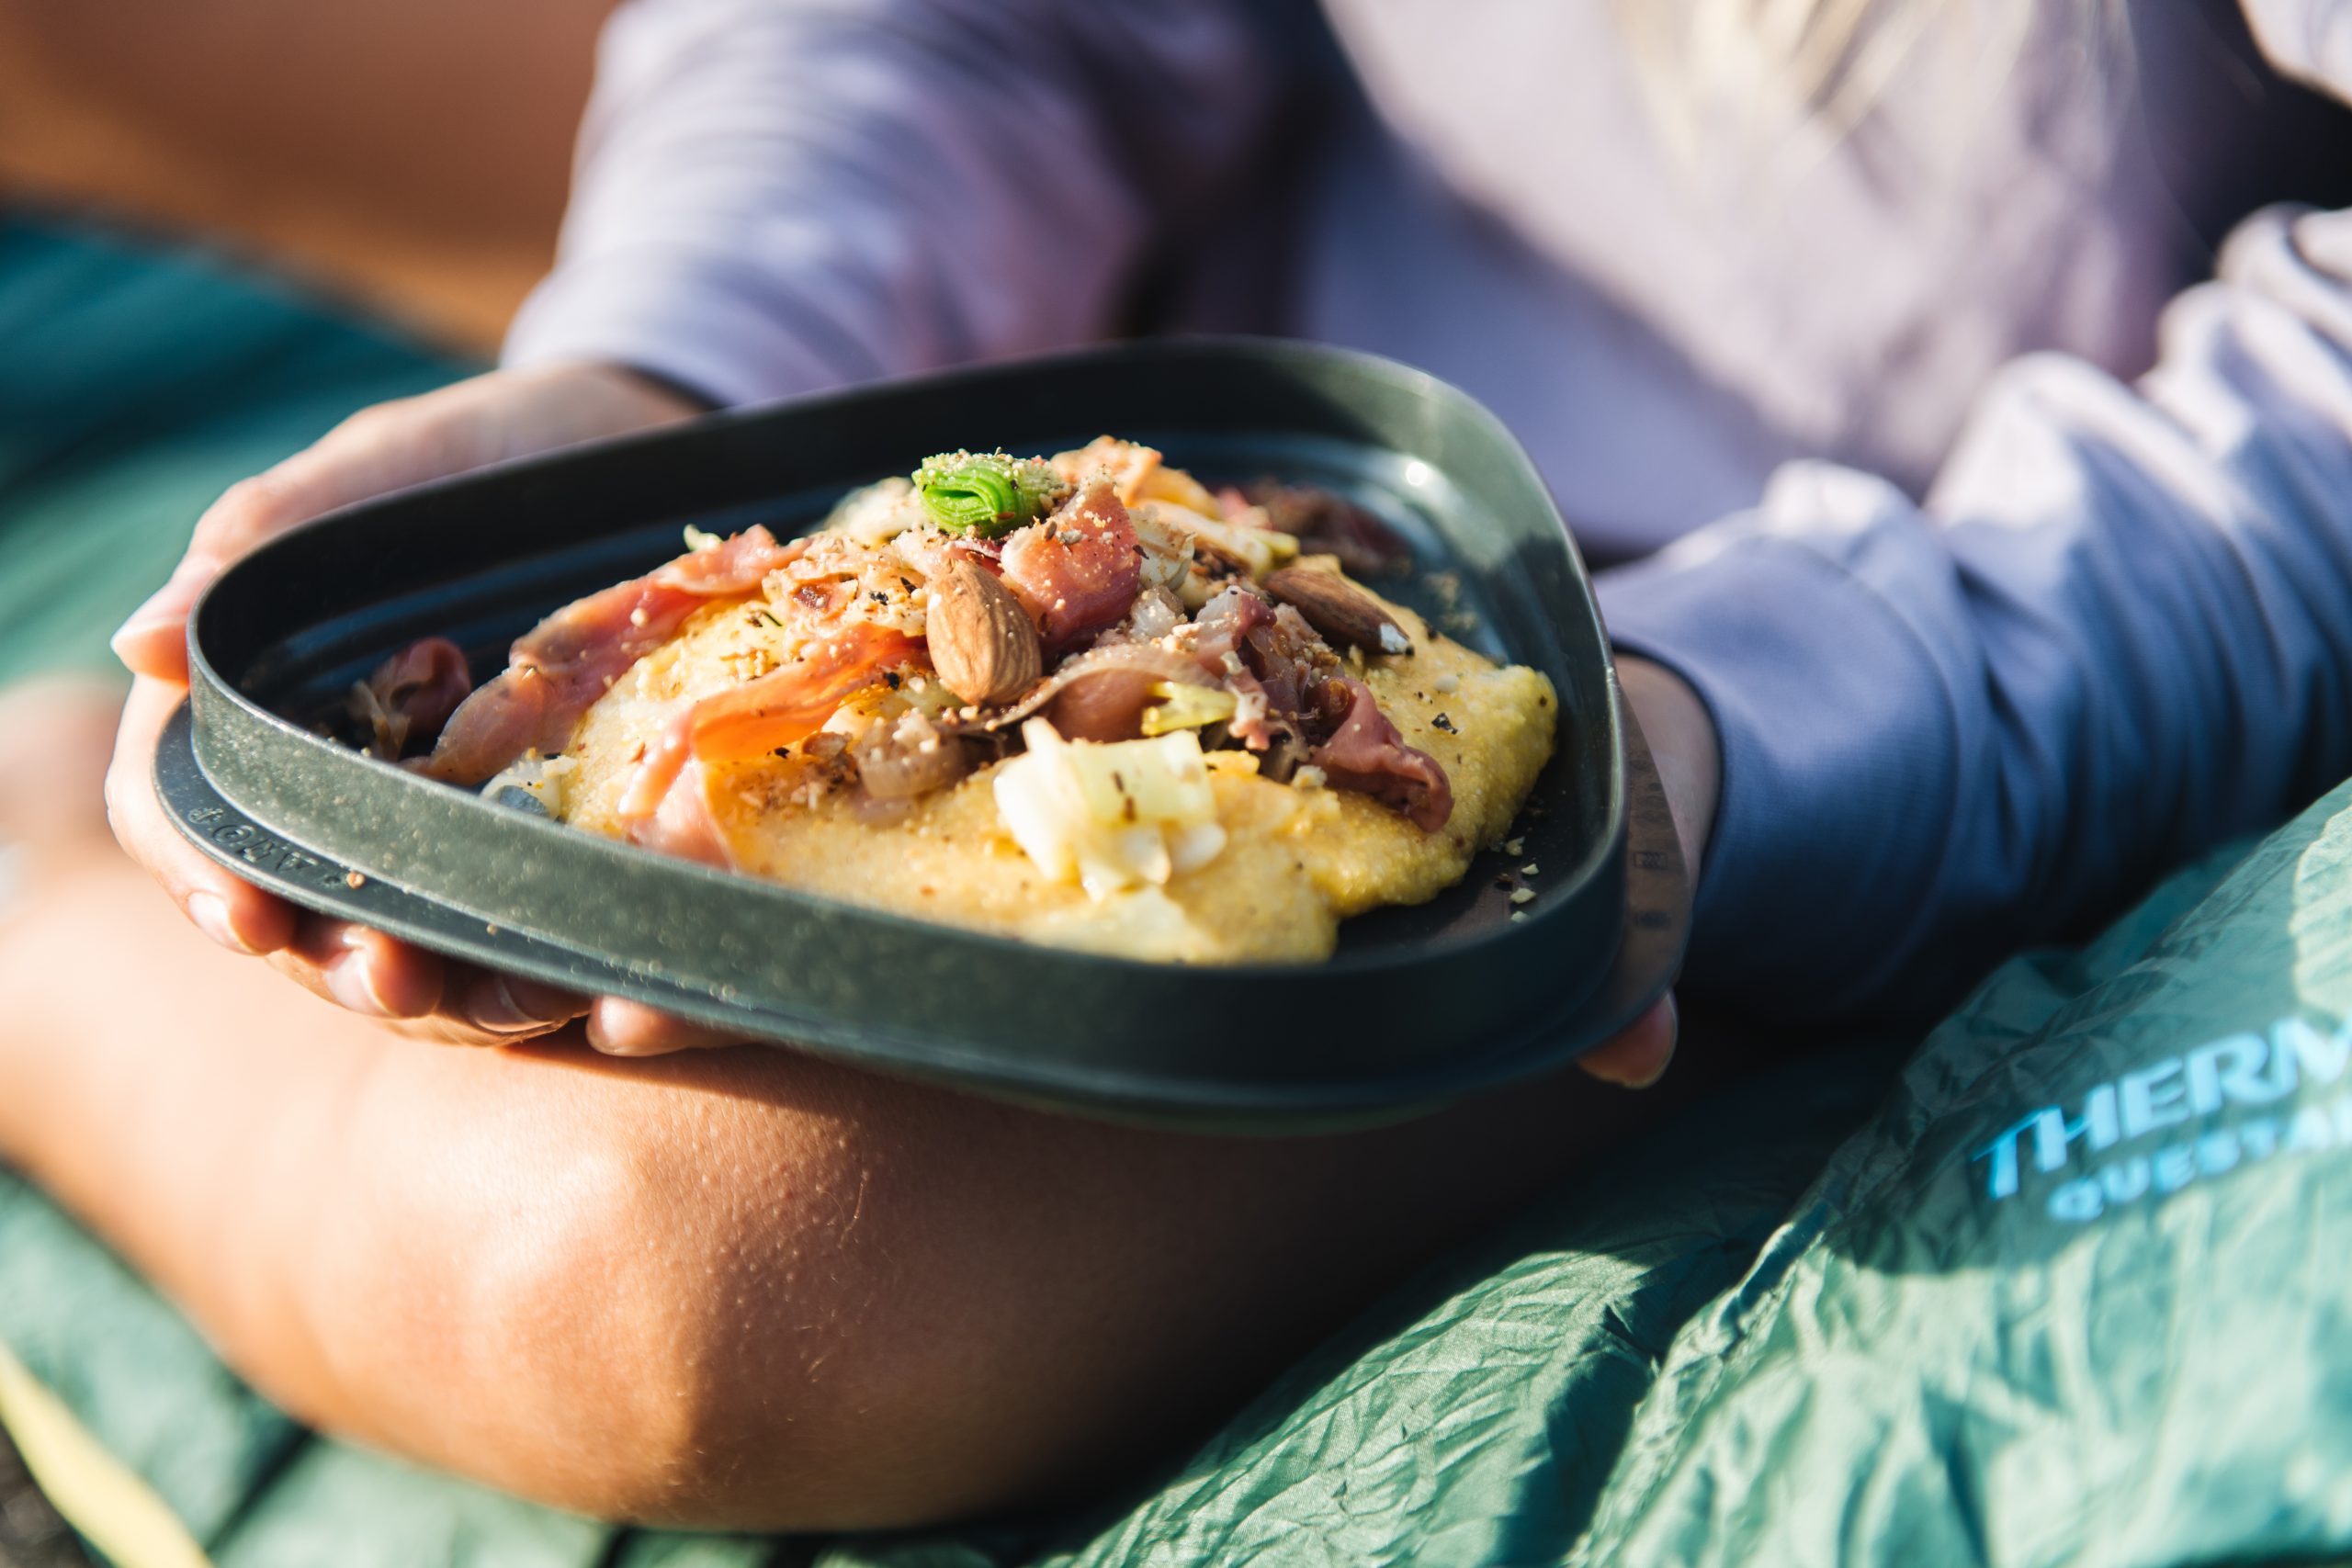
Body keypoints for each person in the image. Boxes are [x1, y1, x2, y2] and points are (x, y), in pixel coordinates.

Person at [7, 0, 2352, 1530]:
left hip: (1788, 682)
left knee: (670, 1284)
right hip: (1143, 417)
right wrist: (668, 381)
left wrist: (1721, 736)